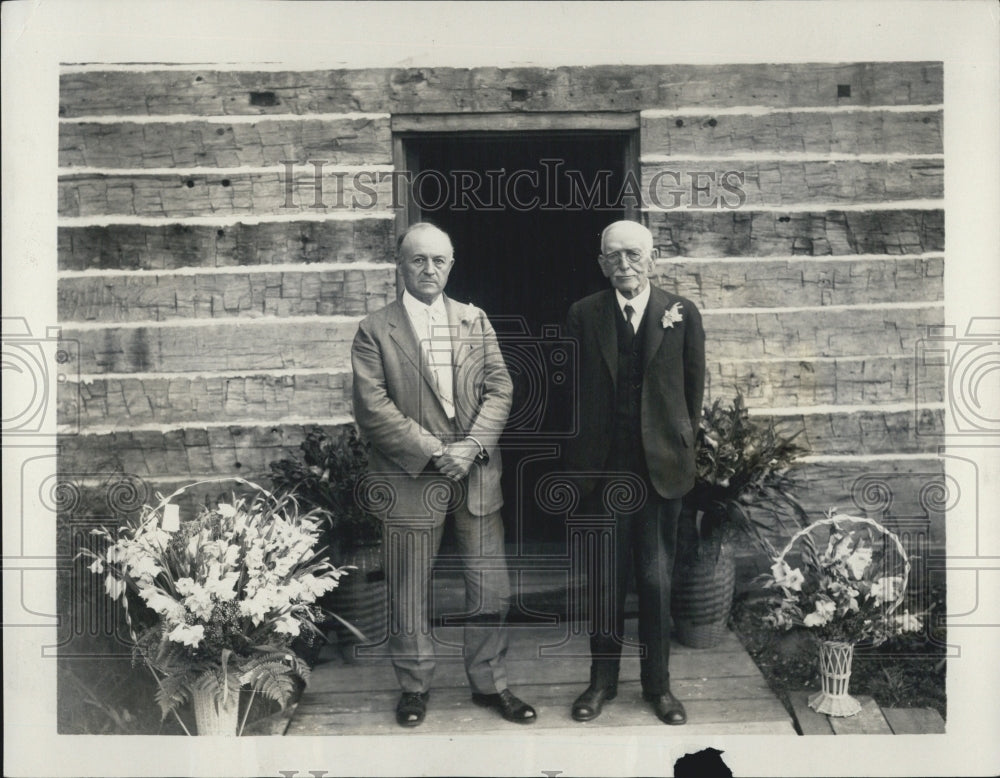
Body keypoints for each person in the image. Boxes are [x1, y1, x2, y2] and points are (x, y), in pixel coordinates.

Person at [350, 222, 536, 727]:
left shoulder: (475, 320)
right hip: (411, 477)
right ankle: (414, 686)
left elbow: (500, 388)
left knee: (489, 587)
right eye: (418, 260)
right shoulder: (374, 330)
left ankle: (489, 683)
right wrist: (438, 451)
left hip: (476, 475)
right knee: (409, 589)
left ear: (451, 265)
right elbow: (373, 409)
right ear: (401, 265)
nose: (429, 269)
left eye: (438, 260)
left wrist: (471, 446)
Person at [563, 220, 705, 725]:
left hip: (659, 470)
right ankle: (601, 684)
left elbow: (692, 391)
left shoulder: (681, 314)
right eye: (614, 256)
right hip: (601, 472)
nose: (624, 264)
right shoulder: (585, 314)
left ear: (653, 257)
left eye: (634, 255)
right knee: (604, 581)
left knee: (657, 579)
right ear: (602, 263)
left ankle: (659, 688)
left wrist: (676, 445)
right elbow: (571, 393)